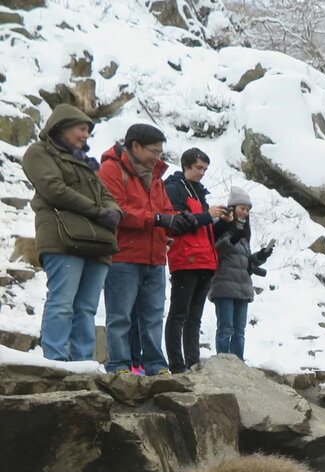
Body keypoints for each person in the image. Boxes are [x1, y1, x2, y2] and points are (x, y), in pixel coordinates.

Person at [20, 104, 122, 362]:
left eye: (88, 130)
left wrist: (114, 211)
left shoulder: (86, 163)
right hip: (62, 239)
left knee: (86, 309)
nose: (85, 135)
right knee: (62, 303)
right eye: (81, 128)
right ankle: (54, 360)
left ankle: (83, 363)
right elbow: (54, 189)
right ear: (62, 126)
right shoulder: (39, 153)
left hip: (97, 243)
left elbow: (107, 195)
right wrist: (99, 212)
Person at [98, 123, 196, 376]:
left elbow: (164, 210)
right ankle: (119, 365)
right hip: (124, 256)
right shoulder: (110, 169)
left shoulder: (156, 178)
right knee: (120, 317)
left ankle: (155, 366)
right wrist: (159, 220)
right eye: (153, 151)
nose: (157, 157)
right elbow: (116, 210)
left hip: (155, 258)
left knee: (153, 317)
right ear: (135, 146)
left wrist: (178, 220)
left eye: (160, 152)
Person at [163, 148, 223, 373]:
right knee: (179, 313)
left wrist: (222, 220)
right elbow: (177, 222)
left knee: (194, 317)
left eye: (205, 169)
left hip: (205, 260)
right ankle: (177, 366)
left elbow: (202, 227)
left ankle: (193, 362)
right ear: (186, 165)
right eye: (199, 168)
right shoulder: (173, 188)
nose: (202, 173)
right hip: (185, 259)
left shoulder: (199, 192)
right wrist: (208, 215)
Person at [210, 187, 271, 360]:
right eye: (242, 208)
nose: (245, 212)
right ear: (233, 208)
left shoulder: (244, 233)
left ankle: (238, 366)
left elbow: (246, 263)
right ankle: (222, 366)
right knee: (225, 329)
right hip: (223, 286)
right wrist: (233, 237)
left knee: (239, 332)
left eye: (247, 209)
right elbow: (217, 251)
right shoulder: (221, 227)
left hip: (242, 288)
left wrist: (260, 256)